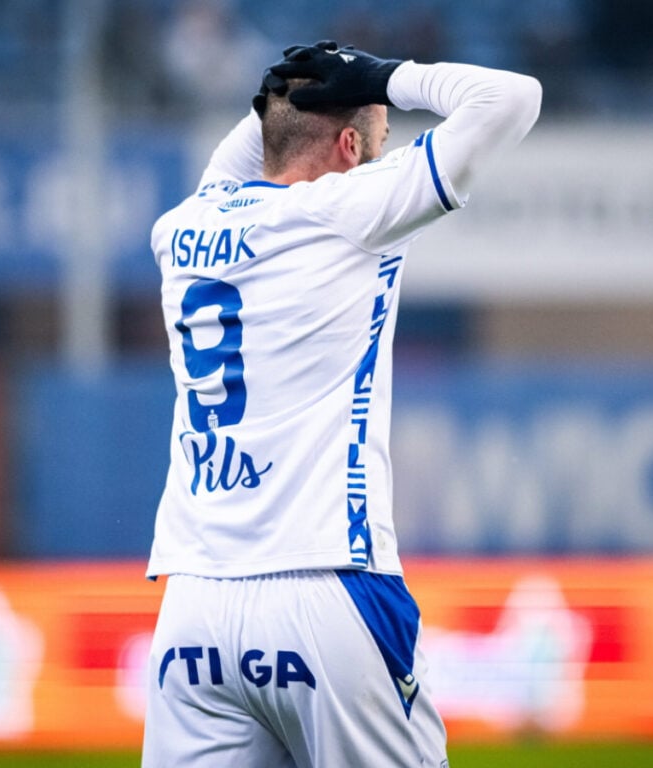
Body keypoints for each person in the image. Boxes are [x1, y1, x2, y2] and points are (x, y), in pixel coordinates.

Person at [143, 40, 541, 767]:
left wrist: (286, 94)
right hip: (326, 586)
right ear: (350, 146)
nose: (382, 153)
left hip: (194, 605)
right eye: (379, 139)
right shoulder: (349, 209)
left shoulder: (182, 227)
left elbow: (266, 145)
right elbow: (513, 99)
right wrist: (386, 76)